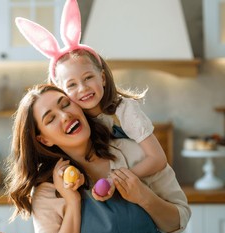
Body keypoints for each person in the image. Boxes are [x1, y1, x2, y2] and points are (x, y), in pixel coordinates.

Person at [4, 84, 191, 233]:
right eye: (50, 119)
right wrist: (72, 202)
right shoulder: (47, 190)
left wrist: (143, 197)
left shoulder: (134, 153)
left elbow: (177, 222)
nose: (65, 115)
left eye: (66, 104)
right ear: (43, 139)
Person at [15, 0, 166, 179]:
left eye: (88, 78)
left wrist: (116, 182)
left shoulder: (125, 111)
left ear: (102, 78)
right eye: (71, 85)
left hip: (157, 185)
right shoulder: (76, 121)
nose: (83, 88)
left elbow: (158, 159)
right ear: (62, 91)